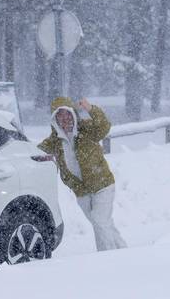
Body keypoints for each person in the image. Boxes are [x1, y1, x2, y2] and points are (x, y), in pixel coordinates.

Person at [38, 97, 127, 251]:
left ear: (73, 114)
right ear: (55, 119)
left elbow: (104, 126)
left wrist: (90, 108)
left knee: (100, 221)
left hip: (102, 185)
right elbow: (34, 152)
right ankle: (123, 252)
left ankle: (108, 259)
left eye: (68, 114)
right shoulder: (54, 141)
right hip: (81, 191)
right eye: (60, 115)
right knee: (103, 224)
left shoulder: (87, 130)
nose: (65, 119)